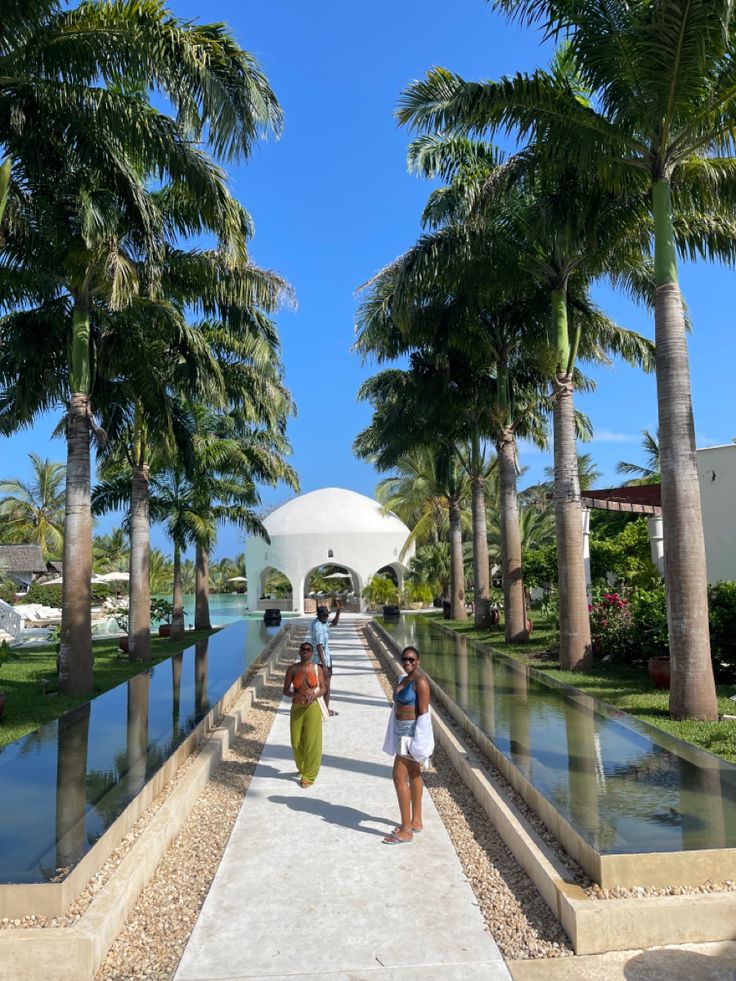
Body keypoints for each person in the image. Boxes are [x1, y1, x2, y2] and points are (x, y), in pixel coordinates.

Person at [382, 646, 433, 844]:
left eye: (411, 659)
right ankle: (416, 821)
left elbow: (424, 713)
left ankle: (406, 830)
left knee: (398, 777)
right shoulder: (403, 680)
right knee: (414, 774)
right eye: (405, 659)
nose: (408, 663)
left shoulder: (420, 681)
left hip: (411, 736)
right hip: (401, 733)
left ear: (418, 661)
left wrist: (420, 743)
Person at [283, 641, 327, 788]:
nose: (306, 652)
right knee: (295, 740)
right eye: (303, 649)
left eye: (308, 650)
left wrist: (313, 697)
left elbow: (323, 689)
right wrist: (298, 697)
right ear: (299, 652)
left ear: (312, 652)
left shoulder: (317, 668)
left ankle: (310, 775)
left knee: (312, 741)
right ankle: (302, 768)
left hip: (313, 707)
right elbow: (286, 690)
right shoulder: (292, 669)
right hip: (297, 707)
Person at [310, 598, 342, 715]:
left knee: (325, 686)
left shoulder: (322, 622)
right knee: (325, 687)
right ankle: (325, 711)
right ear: (319, 616)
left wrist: (338, 612)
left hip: (326, 658)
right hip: (321, 661)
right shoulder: (317, 626)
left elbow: (334, 623)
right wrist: (324, 665)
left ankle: (323, 710)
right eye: (325, 616)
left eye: (327, 615)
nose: (327, 617)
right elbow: (319, 645)